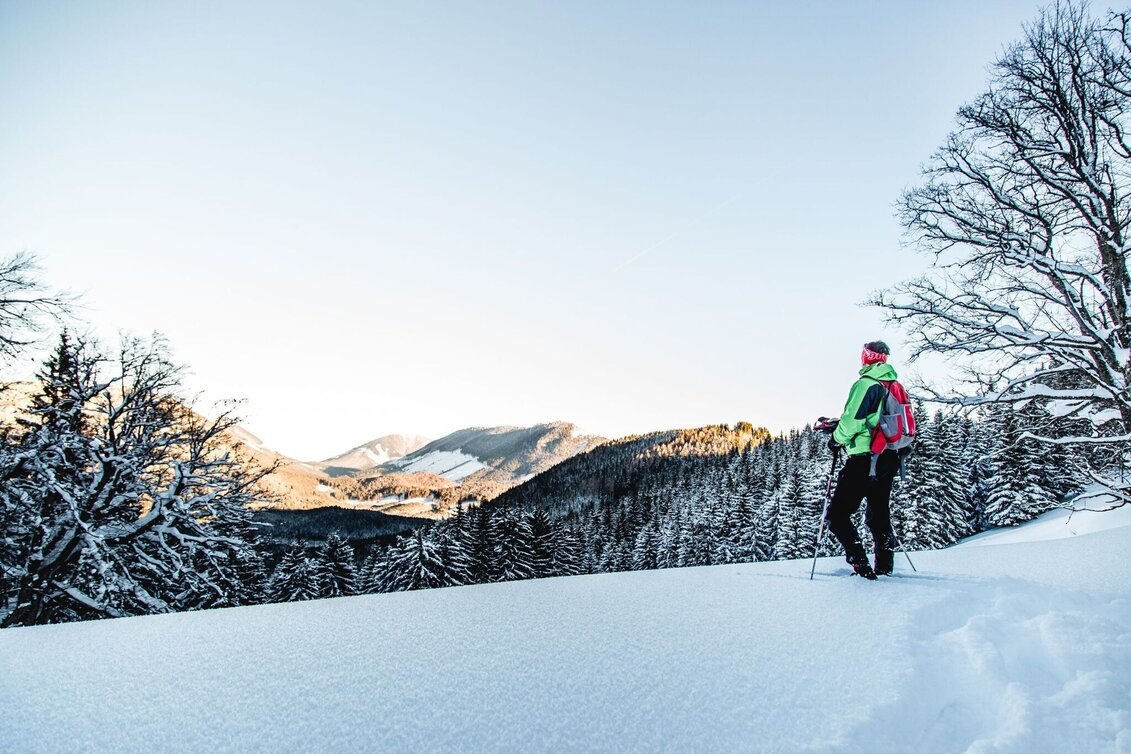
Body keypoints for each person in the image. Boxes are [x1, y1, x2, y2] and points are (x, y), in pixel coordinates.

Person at [825, 341, 911, 579]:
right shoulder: (894, 385)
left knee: (837, 515)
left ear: (867, 358)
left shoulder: (866, 384)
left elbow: (852, 421)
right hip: (889, 457)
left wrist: (836, 439)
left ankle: (861, 565)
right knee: (879, 516)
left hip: (865, 458)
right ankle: (884, 567)